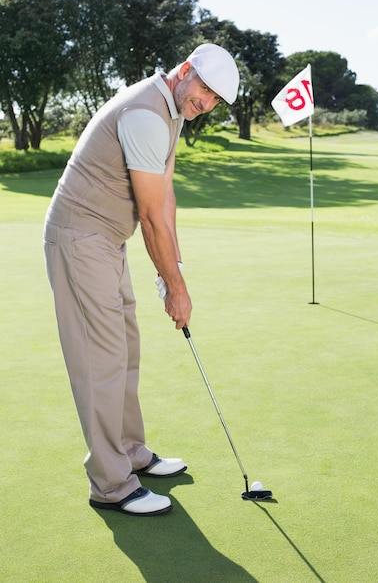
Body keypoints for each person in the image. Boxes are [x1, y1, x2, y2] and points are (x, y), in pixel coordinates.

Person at [43, 43, 240, 517]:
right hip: (80, 237)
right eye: (205, 92)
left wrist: (174, 271)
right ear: (186, 71)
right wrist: (175, 288)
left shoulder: (170, 112)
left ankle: (130, 451)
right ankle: (110, 483)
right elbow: (150, 217)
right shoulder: (147, 113)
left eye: (216, 101)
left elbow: (164, 198)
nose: (207, 105)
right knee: (101, 358)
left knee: (124, 347)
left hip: (107, 241)